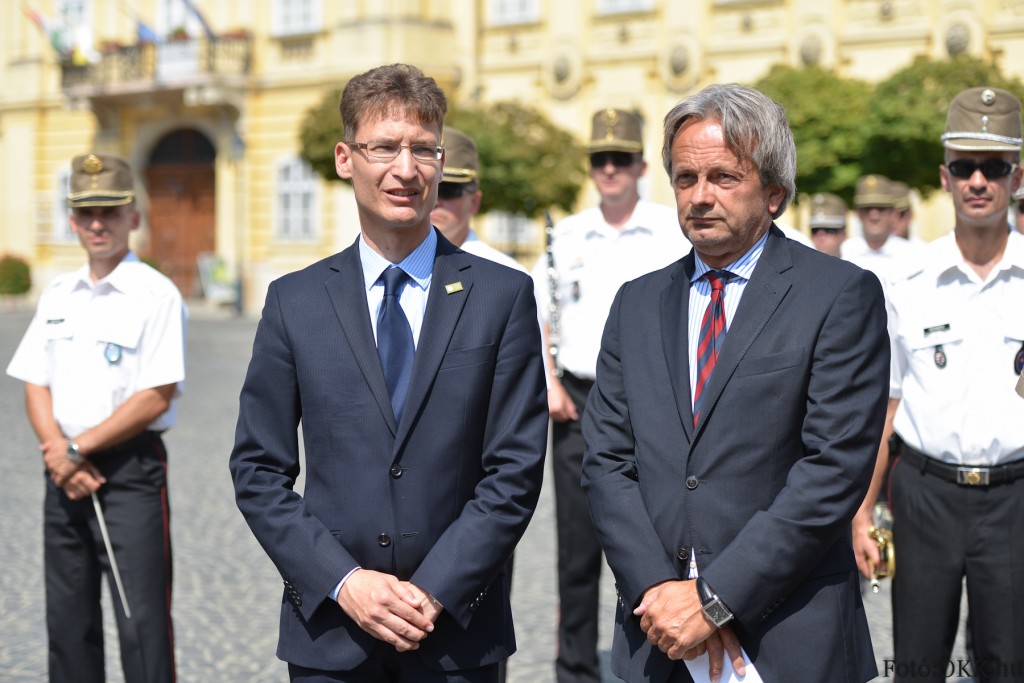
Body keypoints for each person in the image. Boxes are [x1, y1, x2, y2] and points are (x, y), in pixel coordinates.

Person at [228, 63, 548, 683]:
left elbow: (515, 470)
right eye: (384, 148)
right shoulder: (295, 302)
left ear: (441, 163)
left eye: (423, 149)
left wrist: (435, 589)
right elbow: (259, 471)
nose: (406, 169)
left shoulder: (502, 295)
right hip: (332, 632)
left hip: (455, 635)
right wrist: (344, 582)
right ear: (345, 158)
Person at [581, 84, 889, 683]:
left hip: (789, 635)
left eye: (723, 177)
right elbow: (606, 462)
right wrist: (660, 592)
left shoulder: (838, 296)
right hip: (658, 636)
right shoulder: (636, 303)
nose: (700, 196)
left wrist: (715, 599)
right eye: (685, 178)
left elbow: (832, 469)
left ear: (774, 193)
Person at [852, 86, 1024, 683]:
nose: (978, 181)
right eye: (964, 166)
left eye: (994, 167)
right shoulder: (909, 280)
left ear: (1017, 177)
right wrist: (863, 510)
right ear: (944, 177)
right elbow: (887, 403)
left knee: (1010, 665)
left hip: (1015, 497)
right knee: (918, 666)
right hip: (925, 497)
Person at [6, 153, 186, 682]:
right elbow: (35, 380)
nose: (98, 223)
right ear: (72, 220)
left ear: (134, 216)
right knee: (67, 621)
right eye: (86, 212)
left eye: (110, 210)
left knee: (141, 622)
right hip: (62, 470)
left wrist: (75, 449)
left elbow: (156, 395)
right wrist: (59, 454)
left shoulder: (156, 294)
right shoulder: (58, 293)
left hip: (128, 472)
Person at [530, 107, 688, 683]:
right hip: (577, 404)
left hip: (654, 403)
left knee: (654, 545)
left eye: (621, 158)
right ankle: (574, 670)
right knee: (576, 553)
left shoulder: (671, 229)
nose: (611, 169)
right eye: (601, 159)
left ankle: (656, 661)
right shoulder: (566, 235)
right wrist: (550, 382)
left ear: (642, 166)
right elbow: (539, 315)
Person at [431, 127, 525, 272]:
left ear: (474, 201)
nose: (434, 200)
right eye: (428, 188)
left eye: (448, 191)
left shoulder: (506, 274)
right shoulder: (394, 266)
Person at [842, 173, 918, 282]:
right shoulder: (844, 252)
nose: (874, 216)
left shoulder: (912, 255)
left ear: (893, 213)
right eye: (867, 208)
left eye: (881, 209)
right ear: (857, 213)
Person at [808, 191, 848, 257]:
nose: (820, 236)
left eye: (829, 230)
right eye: (815, 230)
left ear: (843, 235)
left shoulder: (857, 262)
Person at [891, 180, 925, 246]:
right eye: (890, 214)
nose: (894, 220)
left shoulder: (923, 249)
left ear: (911, 215)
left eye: (901, 214)